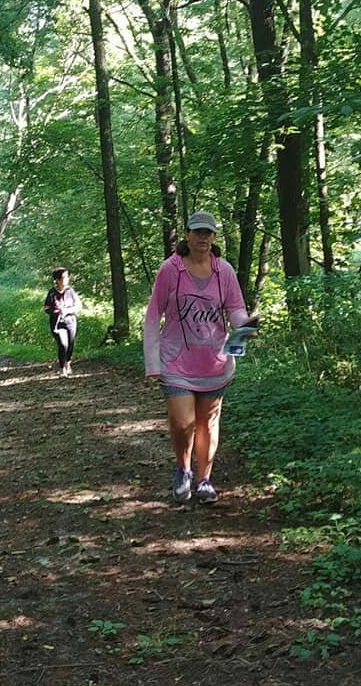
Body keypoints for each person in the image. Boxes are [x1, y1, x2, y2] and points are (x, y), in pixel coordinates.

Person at [143, 212, 259, 504]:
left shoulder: (225, 271)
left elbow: (234, 308)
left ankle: (204, 479)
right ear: (187, 235)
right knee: (183, 422)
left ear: (214, 237)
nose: (203, 238)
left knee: (207, 422)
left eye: (208, 233)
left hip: (214, 361)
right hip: (176, 361)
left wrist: (245, 325)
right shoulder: (170, 270)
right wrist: (152, 362)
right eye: (198, 232)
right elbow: (153, 314)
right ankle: (183, 469)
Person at [43, 267, 83, 378]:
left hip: (70, 321)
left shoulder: (71, 291)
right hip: (57, 323)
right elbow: (46, 308)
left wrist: (68, 310)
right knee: (62, 344)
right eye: (64, 277)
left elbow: (79, 306)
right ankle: (62, 369)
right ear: (57, 279)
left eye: (67, 277)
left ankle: (68, 363)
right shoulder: (52, 293)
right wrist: (56, 311)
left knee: (70, 344)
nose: (66, 279)